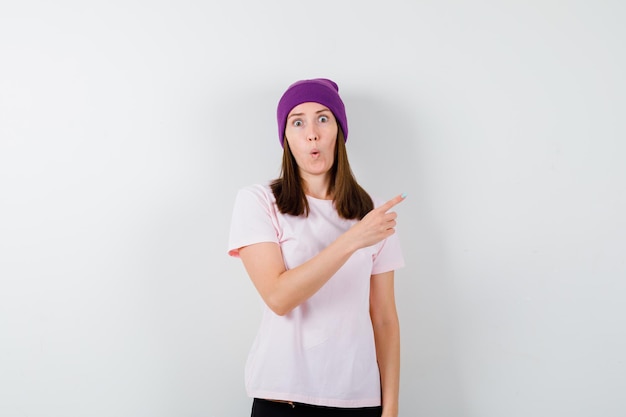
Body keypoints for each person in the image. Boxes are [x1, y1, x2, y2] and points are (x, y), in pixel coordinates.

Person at [228, 78, 405, 417]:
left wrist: (391, 409)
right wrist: (352, 239)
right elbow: (279, 297)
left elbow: (384, 319)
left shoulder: (375, 214)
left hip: (359, 402)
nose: (312, 133)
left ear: (339, 129)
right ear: (287, 138)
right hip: (283, 399)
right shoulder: (259, 201)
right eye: (298, 122)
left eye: (323, 118)